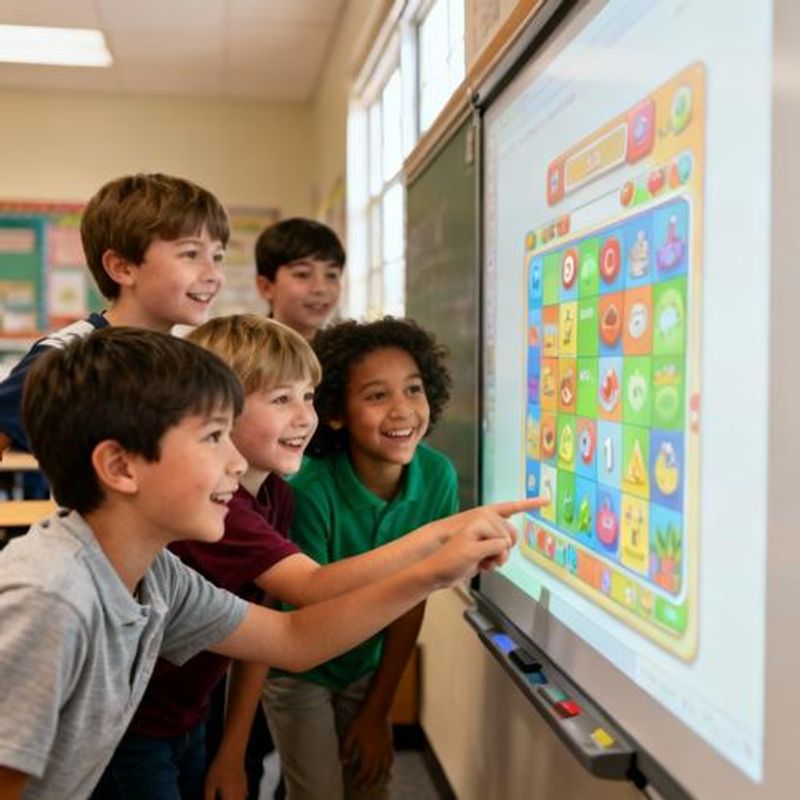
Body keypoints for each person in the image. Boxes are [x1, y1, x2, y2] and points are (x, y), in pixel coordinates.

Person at [0, 327, 536, 800]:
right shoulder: (52, 598)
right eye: (213, 438)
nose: (235, 461)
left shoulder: (157, 573)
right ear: (119, 466)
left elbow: (292, 638)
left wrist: (439, 567)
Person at [263, 317, 460, 800]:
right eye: (377, 396)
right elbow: (308, 609)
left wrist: (377, 710)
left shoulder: (437, 477)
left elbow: (412, 599)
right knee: (319, 792)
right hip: (299, 669)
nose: (403, 410)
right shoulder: (308, 490)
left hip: (367, 664)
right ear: (335, 412)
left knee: (372, 784)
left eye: (414, 389)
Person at [0, 172, 229, 460]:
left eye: (218, 257)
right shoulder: (69, 355)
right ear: (122, 268)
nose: (214, 275)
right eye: (190, 254)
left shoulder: (189, 357)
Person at [254, 218, 344, 340]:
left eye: (331, 275)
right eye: (303, 274)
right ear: (266, 287)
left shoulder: (345, 354)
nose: (320, 288)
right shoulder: (244, 353)